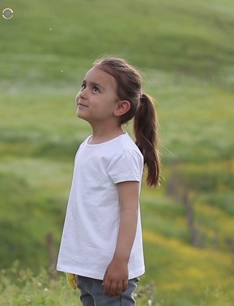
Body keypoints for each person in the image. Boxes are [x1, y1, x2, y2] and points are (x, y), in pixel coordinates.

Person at [56, 56, 161, 305]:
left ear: (120, 107)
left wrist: (120, 262)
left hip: (111, 272)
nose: (83, 94)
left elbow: (129, 210)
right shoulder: (88, 146)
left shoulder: (122, 153)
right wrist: (79, 260)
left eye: (95, 89)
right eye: (84, 85)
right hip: (90, 268)